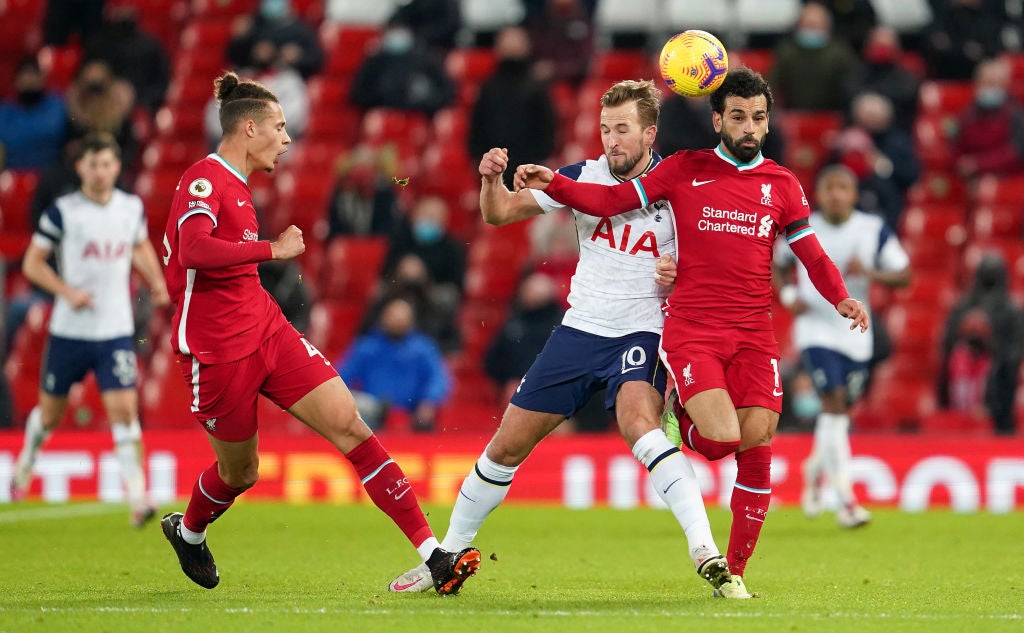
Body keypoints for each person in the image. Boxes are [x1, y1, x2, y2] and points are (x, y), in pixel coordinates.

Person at [515, 67, 870, 596]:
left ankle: (737, 574)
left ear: (768, 124)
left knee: (759, 443)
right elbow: (611, 203)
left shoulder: (783, 184)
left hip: (754, 332)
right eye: (738, 117)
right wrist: (559, 184)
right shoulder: (684, 170)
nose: (749, 127)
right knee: (721, 437)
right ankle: (682, 409)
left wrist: (840, 295)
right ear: (717, 120)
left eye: (758, 118)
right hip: (694, 329)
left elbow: (810, 254)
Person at [389, 79, 742, 598]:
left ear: (649, 133)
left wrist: (677, 273)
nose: (612, 140)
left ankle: (708, 554)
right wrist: (489, 180)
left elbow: (714, 264)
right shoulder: (583, 177)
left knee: (640, 425)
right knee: (505, 446)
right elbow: (499, 213)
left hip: (641, 329)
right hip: (578, 332)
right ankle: (446, 555)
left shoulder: (677, 188)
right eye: (605, 129)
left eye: (622, 129)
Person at [157, 71, 478, 593]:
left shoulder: (238, 185)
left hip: (266, 329)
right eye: (279, 128)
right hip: (216, 350)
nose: (287, 139)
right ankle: (189, 531)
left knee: (351, 426)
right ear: (249, 129)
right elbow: (193, 250)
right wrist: (271, 249)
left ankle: (434, 555)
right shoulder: (204, 180)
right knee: (240, 473)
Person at [7, 132, 168, 528]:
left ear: (116, 167)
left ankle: (137, 497)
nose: (100, 171)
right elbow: (32, 263)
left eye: (107, 163)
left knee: (123, 412)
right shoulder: (63, 212)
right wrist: (65, 291)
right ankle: (28, 455)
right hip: (69, 331)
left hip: (114, 330)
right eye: (92, 164)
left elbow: (140, 246)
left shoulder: (131, 208)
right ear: (81, 168)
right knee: (50, 415)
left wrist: (157, 281)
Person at [773, 164, 910, 528]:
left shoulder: (872, 229)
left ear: (853, 194)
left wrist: (870, 273)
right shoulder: (803, 226)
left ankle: (814, 469)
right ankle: (847, 502)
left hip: (855, 333)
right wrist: (788, 294)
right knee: (832, 401)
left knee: (838, 415)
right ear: (818, 194)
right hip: (815, 330)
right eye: (829, 187)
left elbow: (904, 274)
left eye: (843, 187)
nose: (835, 193)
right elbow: (776, 263)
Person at [336, 296, 451, 432]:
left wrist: (429, 401)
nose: (398, 320)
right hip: (371, 416)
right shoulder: (366, 347)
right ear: (383, 318)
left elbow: (438, 378)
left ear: (411, 320)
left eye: (402, 316)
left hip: (412, 415)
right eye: (393, 316)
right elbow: (340, 379)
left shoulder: (423, 348)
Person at [938, 254, 1024, 435]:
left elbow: (1014, 356)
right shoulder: (963, 309)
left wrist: (990, 344)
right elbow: (946, 348)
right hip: (961, 389)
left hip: (998, 398)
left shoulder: (1012, 313)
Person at [468, 26, 557, 190]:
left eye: (516, 41)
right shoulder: (488, 87)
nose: (511, 46)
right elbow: (477, 127)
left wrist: (538, 162)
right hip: (494, 170)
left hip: (529, 171)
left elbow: (547, 128)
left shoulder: (537, 88)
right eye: (507, 42)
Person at [768, 1, 858, 111]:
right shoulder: (787, 51)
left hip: (832, 115)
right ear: (799, 25)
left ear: (827, 26)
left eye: (816, 25)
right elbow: (772, 85)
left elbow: (852, 85)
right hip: (794, 114)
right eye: (808, 25)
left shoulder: (840, 53)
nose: (812, 30)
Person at [952, 58, 1024, 180]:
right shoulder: (966, 115)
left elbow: (1017, 152)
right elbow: (956, 148)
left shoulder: (1015, 114)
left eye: (997, 84)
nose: (992, 88)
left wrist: (980, 164)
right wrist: (964, 164)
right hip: (973, 180)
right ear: (977, 83)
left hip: (1008, 181)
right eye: (988, 83)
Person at [0, 56, 68, 171]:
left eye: (33, 74)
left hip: (49, 173)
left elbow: (53, 131)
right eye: (25, 75)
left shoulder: (55, 102)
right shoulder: (6, 109)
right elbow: (6, 138)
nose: (29, 80)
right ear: (16, 81)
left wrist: (20, 129)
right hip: (14, 174)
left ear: (42, 78)